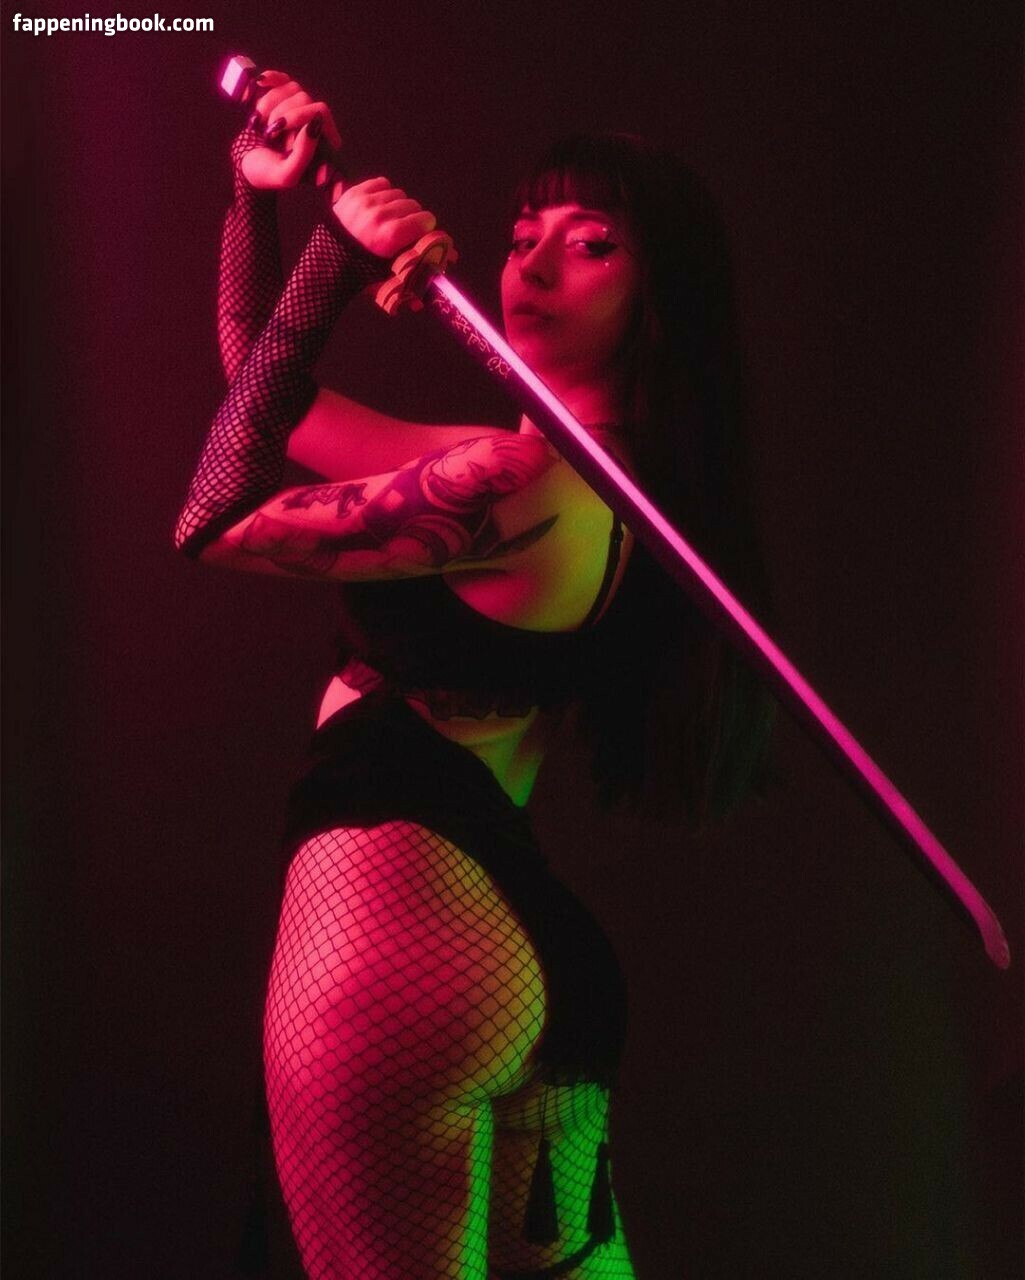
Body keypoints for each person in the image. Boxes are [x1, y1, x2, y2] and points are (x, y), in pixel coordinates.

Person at [176, 69, 773, 1280]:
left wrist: (336, 265)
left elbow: (213, 516)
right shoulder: (572, 482)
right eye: (523, 233)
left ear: (658, 297)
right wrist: (260, 202)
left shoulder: (516, 488)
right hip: (521, 946)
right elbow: (260, 387)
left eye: (591, 243)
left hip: (394, 940)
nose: (534, 261)